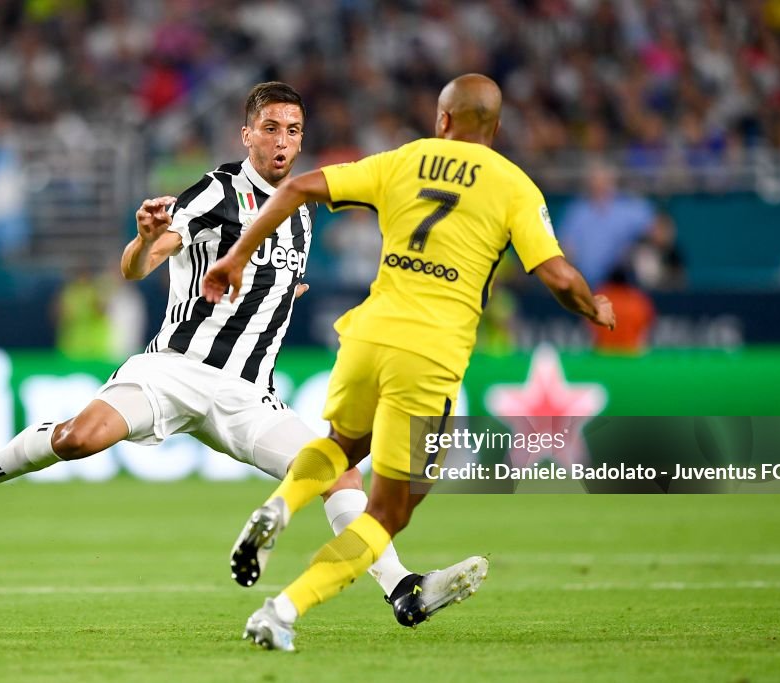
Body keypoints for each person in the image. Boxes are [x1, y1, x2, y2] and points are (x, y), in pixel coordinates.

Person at [0, 81, 469, 628]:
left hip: (249, 396)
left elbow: (267, 281)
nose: (283, 142)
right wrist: (146, 238)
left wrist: (281, 292)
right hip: (173, 370)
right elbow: (137, 265)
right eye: (270, 129)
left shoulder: (304, 212)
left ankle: (403, 590)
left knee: (338, 473)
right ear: (246, 135)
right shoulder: (219, 189)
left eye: (293, 130)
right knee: (78, 440)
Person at [203, 73, 616, 651]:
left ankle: (279, 505)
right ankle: (282, 610)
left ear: (443, 120)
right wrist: (592, 305)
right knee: (387, 512)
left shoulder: (405, 159)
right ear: (493, 130)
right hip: (429, 355)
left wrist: (235, 257)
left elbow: (296, 189)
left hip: (367, 335)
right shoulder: (514, 185)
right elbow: (556, 275)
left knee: (342, 445)